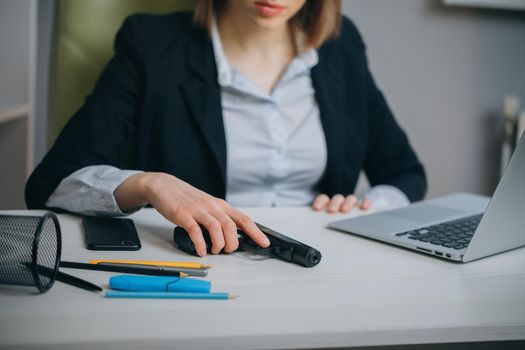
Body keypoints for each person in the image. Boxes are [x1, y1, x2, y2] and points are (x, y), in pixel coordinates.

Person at [25, 0, 426, 257]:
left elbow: (403, 173)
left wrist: (366, 206)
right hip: (203, 266)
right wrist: (147, 183)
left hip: (315, 260)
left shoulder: (340, 44)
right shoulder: (151, 43)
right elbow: (52, 180)